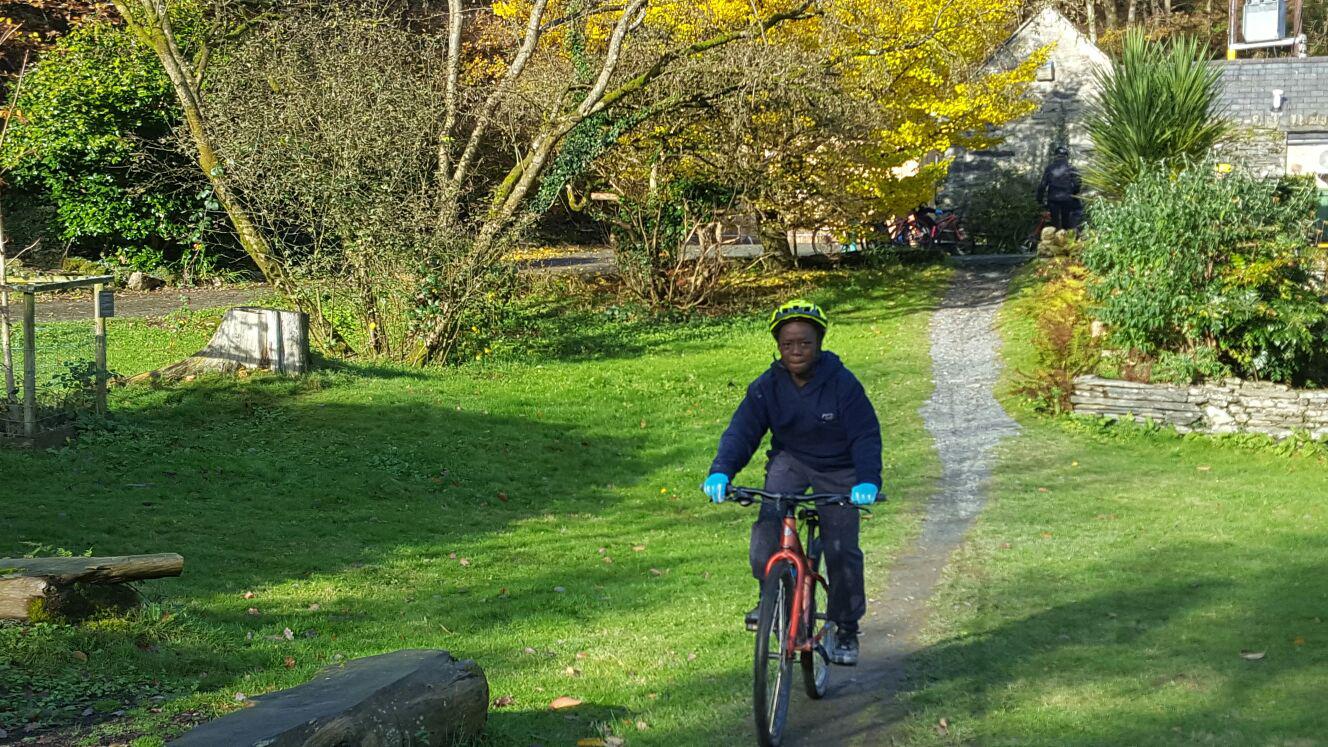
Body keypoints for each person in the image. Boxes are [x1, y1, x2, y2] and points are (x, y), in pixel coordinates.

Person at [701, 300, 882, 666]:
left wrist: (867, 480)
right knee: (767, 529)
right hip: (791, 462)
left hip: (839, 468)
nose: (796, 351)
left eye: (805, 343)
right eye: (788, 344)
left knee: (841, 549)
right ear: (778, 347)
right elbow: (742, 431)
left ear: (819, 344)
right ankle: (770, 598)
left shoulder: (842, 384)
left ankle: (845, 628)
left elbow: (865, 435)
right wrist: (722, 470)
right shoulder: (767, 387)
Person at [1037, 145, 1082, 231]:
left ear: (1056, 156)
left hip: (1053, 199)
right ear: (1066, 156)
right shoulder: (1071, 168)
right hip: (1067, 199)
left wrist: (1039, 199)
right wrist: (1074, 193)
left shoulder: (1049, 168)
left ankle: (1055, 234)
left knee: (1054, 223)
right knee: (1066, 222)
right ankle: (1066, 234)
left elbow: (1043, 185)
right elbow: (1078, 184)